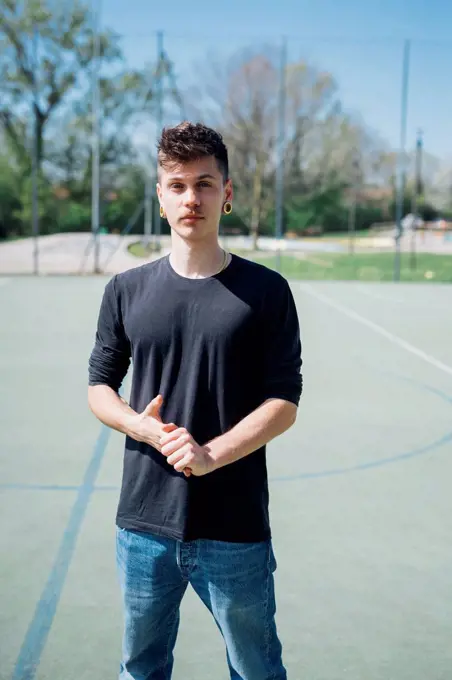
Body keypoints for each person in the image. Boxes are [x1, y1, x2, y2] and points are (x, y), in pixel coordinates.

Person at [87, 121, 303, 680]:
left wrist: (211, 454)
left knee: (256, 669)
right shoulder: (126, 290)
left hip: (234, 526)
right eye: (177, 185)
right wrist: (144, 429)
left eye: (205, 184)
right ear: (160, 197)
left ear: (227, 194)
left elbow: (285, 400)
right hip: (143, 525)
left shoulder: (267, 292)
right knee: (141, 668)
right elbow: (99, 388)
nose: (192, 198)